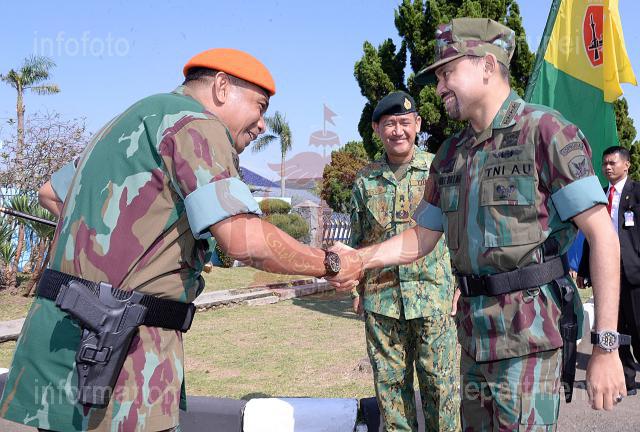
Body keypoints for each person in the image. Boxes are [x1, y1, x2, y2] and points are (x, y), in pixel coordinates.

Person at [0, 48, 361, 432]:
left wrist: (149, 249)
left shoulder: (132, 119)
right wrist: (331, 263)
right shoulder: (197, 124)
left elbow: (51, 194)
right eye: (259, 106)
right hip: (121, 360)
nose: (261, 125)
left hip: (59, 347)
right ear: (221, 87)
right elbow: (243, 239)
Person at [329, 18, 627, 431]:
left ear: (487, 65)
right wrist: (360, 259)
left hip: (529, 339)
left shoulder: (546, 132)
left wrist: (606, 346)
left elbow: (602, 236)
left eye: (446, 73)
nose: (439, 88)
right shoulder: (450, 154)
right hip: (471, 339)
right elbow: (421, 237)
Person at [350, 91, 459, 431]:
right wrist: (356, 290)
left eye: (404, 122)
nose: (398, 131)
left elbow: (459, 234)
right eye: (389, 124)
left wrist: (460, 286)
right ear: (376, 129)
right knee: (391, 394)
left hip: (434, 300)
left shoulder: (439, 170)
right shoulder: (365, 180)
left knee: (441, 391)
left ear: (418, 125)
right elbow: (358, 241)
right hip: (382, 303)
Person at [578, 146, 640, 396]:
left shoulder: (637, 193)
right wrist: (584, 269)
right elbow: (592, 237)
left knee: (637, 326)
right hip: (607, 274)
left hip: (634, 272)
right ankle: (627, 379)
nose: (607, 167)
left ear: (627, 165)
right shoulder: (600, 197)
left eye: (612, 163)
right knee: (616, 328)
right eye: (604, 163)